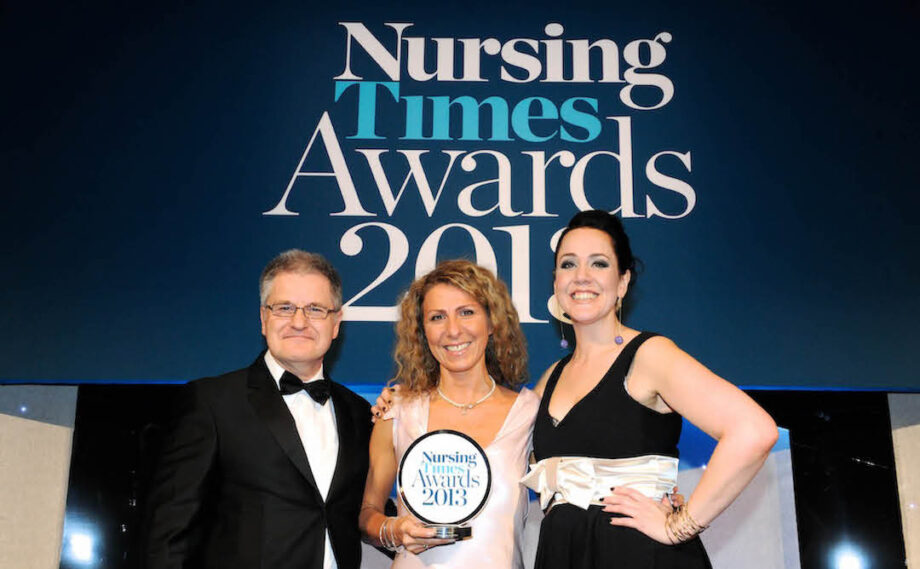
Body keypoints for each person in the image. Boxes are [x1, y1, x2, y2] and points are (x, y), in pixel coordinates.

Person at [525, 210, 778, 568]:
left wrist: (680, 526)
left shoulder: (649, 356)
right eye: (568, 264)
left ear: (623, 282)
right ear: (555, 282)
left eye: (598, 264)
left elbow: (753, 430)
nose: (581, 276)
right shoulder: (549, 378)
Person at [143, 250, 372, 569]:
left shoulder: (360, 414)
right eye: (285, 308)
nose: (299, 322)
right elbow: (168, 534)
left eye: (315, 309)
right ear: (264, 318)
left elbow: (365, 513)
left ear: (336, 323)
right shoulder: (211, 402)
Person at [359, 260, 540, 569]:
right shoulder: (397, 410)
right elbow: (366, 516)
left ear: (492, 321)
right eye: (437, 317)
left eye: (466, 312)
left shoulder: (529, 413)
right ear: (422, 330)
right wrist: (395, 530)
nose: (453, 330)